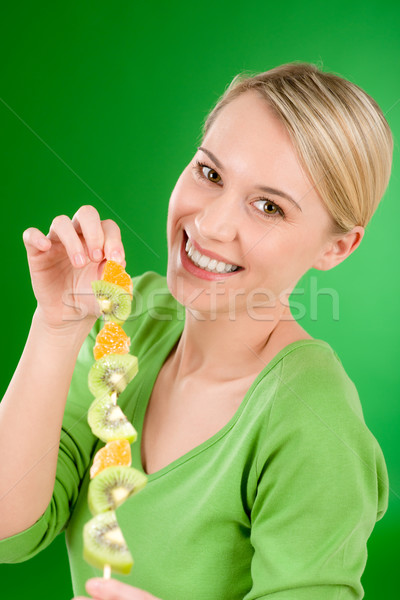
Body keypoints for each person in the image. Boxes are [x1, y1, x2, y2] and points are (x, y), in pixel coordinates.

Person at [0, 62, 393, 600]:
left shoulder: (312, 421)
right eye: (210, 174)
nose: (209, 224)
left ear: (336, 247)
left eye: (269, 207)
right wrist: (57, 324)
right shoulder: (128, 319)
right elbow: (9, 529)